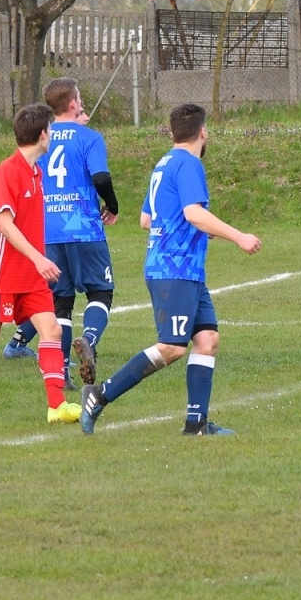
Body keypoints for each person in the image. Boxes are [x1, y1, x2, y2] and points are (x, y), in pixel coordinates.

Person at [80, 104, 261, 435]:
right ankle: (100, 395)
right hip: (174, 270)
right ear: (203, 132)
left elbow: (147, 220)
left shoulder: (163, 163)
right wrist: (238, 236)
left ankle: (196, 424)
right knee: (172, 347)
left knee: (207, 339)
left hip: (184, 269)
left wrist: (186, 230)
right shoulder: (189, 164)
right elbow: (193, 213)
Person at [0, 103, 82, 427]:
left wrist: (37, 261)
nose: (52, 136)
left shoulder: (36, 171)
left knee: (51, 329)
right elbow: (5, 224)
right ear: (42, 135)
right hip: (2, 273)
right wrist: (39, 257)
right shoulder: (8, 171)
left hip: (30, 274)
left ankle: (57, 406)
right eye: (50, 131)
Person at [0, 81, 118, 382]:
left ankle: (62, 371)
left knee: (60, 303)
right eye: (79, 97)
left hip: (47, 231)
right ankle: (89, 339)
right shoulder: (89, 137)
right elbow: (101, 175)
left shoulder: (43, 138)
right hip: (82, 228)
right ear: (73, 104)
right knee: (100, 292)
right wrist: (112, 205)